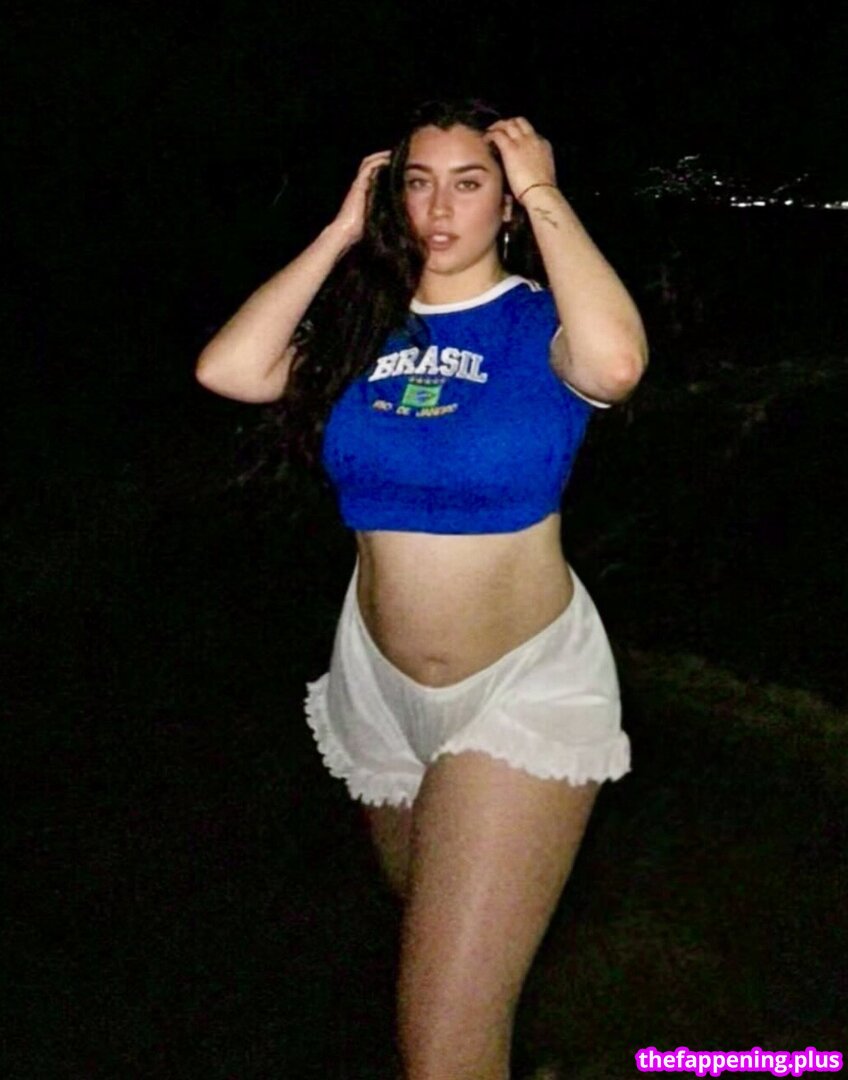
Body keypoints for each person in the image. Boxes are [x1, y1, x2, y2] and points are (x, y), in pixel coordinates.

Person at [196, 98, 647, 1080]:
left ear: (505, 203)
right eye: (417, 183)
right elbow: (230, 369)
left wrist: (542, 189)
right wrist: (337, 234)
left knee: (441, 1047)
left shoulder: (541, 323)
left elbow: (616, 365)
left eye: (469, 183)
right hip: (377, 691)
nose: (439, 208)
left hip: (518, 690)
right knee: (439, 957)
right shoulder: (367, 330)